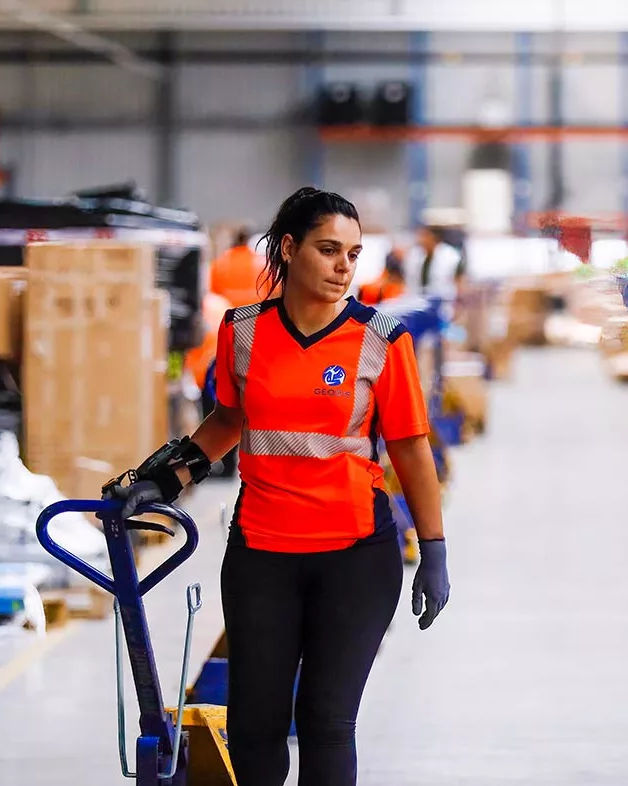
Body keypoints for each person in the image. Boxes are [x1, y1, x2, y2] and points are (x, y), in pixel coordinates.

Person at [105, 187, 451, 786]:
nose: (344, 265)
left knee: (325, 724)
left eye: (353, 253)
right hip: (262, 555)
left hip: (356, 558)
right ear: (289, 250)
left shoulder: (380, 339)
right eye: (328, 249)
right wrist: (161, 479)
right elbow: (227, 422)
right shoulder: (242, 332)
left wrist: (435, 548)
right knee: (255, 729)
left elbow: (411, 447)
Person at [211, 227, 272, 307]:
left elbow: (214, 290)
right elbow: (270, 287)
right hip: (253, 310)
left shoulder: (221, 262)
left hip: (227, 310)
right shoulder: (259, 262)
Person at [403, 224, 464, 300]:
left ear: (434, 237)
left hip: (442, 299)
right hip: (417, 299)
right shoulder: (415, 254)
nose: (421, 239)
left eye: (424, 236)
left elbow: (458, 279)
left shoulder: (450, 255)